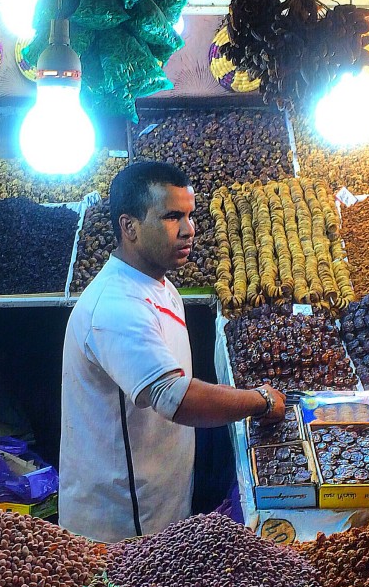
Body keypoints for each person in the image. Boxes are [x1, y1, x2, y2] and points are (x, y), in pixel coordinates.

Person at [59, 162, 286, 543]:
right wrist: (259, 402)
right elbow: (174, 398)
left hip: (161, 502)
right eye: (171, 217)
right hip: (121, 524)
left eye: (190, 215)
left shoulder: (159, 286)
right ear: (129, 227)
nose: (189, 229)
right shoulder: (116, 307)